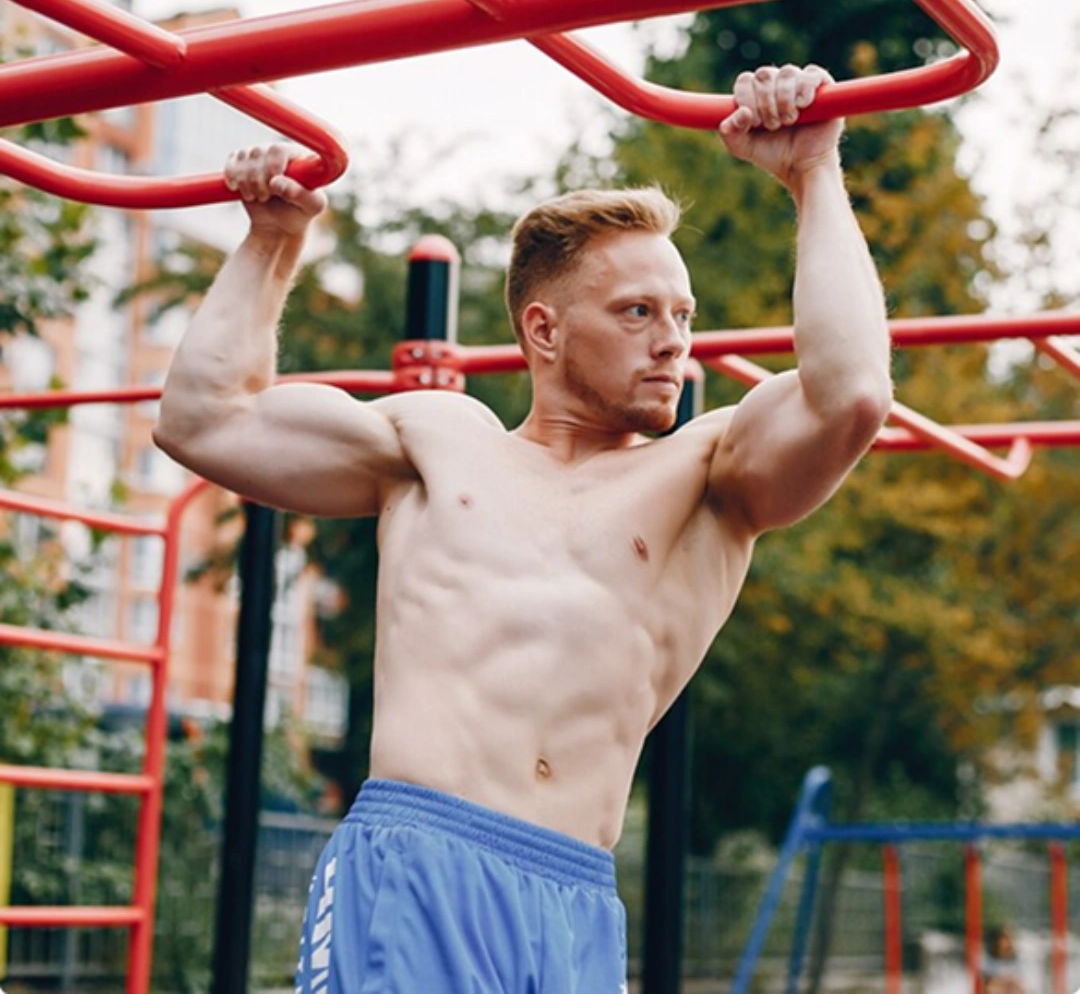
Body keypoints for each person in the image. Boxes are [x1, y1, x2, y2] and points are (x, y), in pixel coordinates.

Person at [153, 63, 893, 993]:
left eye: (683, 316)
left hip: (574, 901)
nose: (674, 342)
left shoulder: (706, 473)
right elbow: (201, 417)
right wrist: (272, 237)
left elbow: (854, 393)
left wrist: (814, 173)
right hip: (416, 867)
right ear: (544, 331)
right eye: (637, 312)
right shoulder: (433, 439)